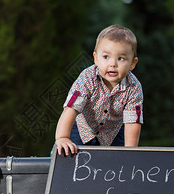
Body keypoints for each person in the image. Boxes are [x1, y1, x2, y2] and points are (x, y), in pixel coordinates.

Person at [55, 24, 143, 155]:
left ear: (132, 64)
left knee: (116, 164)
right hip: (82, 128)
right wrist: (62, 137)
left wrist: (129, 152)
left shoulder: (134, 87)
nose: (112, 64)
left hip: (113, 132)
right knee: (67, 154)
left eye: (121, 58)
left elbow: (132, 122)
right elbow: (71, 108)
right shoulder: (87, 78)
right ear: (96, 58)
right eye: (106, 57)